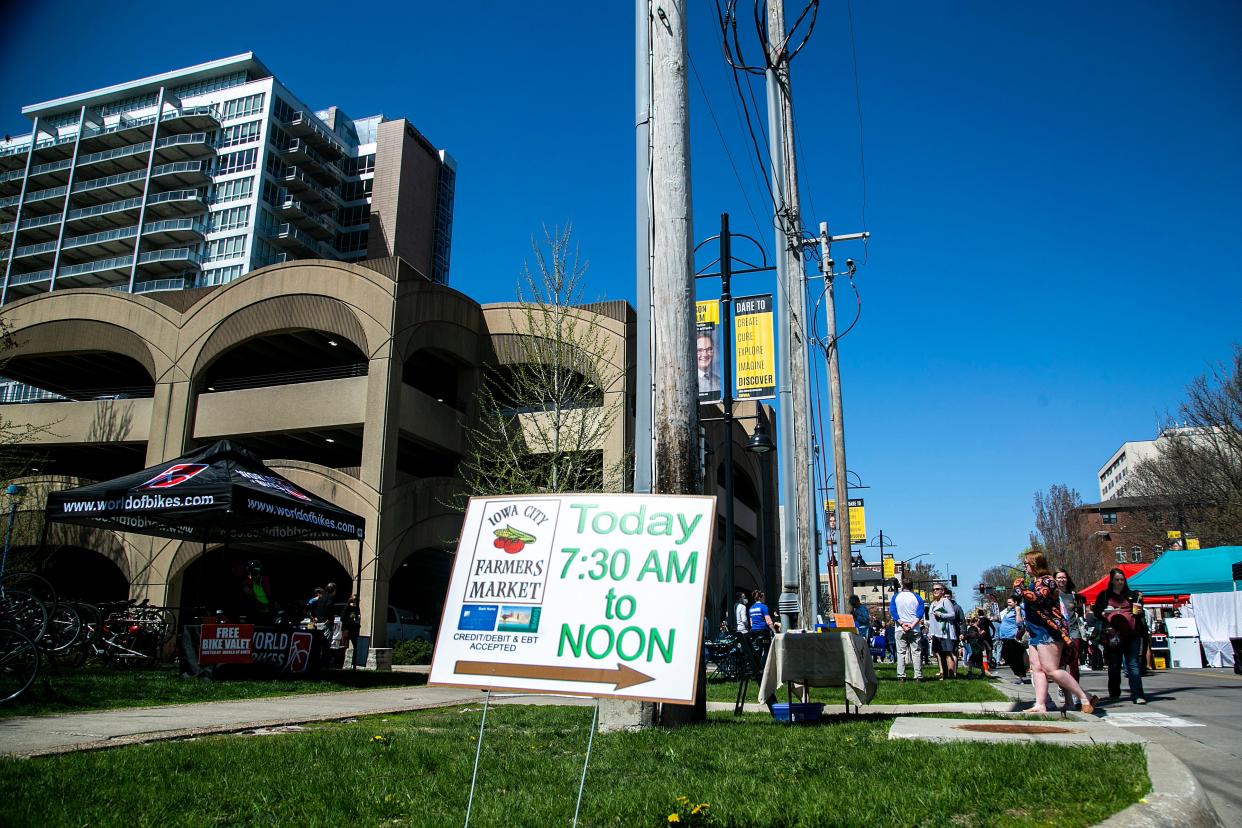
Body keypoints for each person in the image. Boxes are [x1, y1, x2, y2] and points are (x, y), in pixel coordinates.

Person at [1014, 550, 1096, 714]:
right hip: (1035, 631)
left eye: (1026, 563)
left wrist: (1020, 589)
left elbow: (1038, 597)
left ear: (1035, 564)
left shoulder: (1048, 580)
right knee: (1037, 668)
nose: (1025, 566)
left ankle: (1084, 696)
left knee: (1051, 669)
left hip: (1048, 631)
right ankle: (1040, 704)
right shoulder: (1035, 581)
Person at [1092, 568, 1147, 704]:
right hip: (1112, 635)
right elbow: (1097, 612)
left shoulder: (1132, 595)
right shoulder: (1105, 595)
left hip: (1132, 633)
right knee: (1114, 665)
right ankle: (1114, 693)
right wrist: (1103, 613)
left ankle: (1137, 694)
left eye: (1122, 579)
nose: (1120, 582)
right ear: (1111, 581)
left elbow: (1140, 612)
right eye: (1117, 580)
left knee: (1132, 664)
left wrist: (1139, 611)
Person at [1054, 568, 1088, 710]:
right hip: (1059, 632)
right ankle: (1062, 687)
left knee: (1074, 663)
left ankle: (1075, 693)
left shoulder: (1073, 595)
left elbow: (1079, 613)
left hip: (1073, 632)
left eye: (1064, 577)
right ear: (1054, 580)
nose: (1062, 580)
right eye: (1059, 578)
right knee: (1060, 664)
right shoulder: (1053, 595)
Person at [889, 581, 925, 682]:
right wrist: (912, 625)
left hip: (900, 629)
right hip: (914, 629)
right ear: (912, 586)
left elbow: (893, 611)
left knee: (901, 653)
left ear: (902, 585)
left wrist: (902, 624)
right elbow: (920, 613)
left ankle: (901, 675)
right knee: (916, 652)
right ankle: (918, 675)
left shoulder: (896, 597)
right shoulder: (917, 597)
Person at [928, 585, 958, 679]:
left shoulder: (945, 601)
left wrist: (941, 614)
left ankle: (951, 674)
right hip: (936, 633)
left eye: (937, 589)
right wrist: (930, 632)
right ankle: (944, 674)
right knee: (940, 654)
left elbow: (952, 615)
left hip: (945, 632)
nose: (935, 591)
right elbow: (931, 620)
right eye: (933, 589)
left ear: (942, 591)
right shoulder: (933, 603)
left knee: (948, 653)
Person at [996, 596, 1028, 681]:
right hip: (1006, 637)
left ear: (1016, 602)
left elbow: (1019, 623)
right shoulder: (1009, 611)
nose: (1008, 604)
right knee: (1005, 655)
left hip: (1013, 637)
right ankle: (1018, 674)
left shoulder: (1019, 610)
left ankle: (1020, 677)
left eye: (1010, 602)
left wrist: (1017, 611)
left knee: (1015, 658)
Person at [748, 589, 776, 661]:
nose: (763, 598)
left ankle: (757, 666)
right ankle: (762, 667)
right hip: (763, 631)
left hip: (754, 631)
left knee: (758, 650)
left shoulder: (751, 608)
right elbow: (768, 621)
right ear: (760, 598)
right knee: (767, 650)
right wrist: (774, 631)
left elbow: (751, 623)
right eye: (762, 597)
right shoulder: (763, 607)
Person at [695, 331, 720, 399]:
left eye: (709, 349)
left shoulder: (719, 381)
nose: (705, 354)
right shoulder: (689, 382)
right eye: (700, 350)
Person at [340, 594, 362, 665]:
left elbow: (358, 617)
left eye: (357, 600)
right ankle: (341, 662)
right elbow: (342, 618)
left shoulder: (357, 608)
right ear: (351, 601)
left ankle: (354, 663)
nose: (356, 602)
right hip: (346, 629)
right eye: (355, 600)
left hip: (354, 629)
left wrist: (357, 624)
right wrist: (350, 621)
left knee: (356, 645)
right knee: (344, 646)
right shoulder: (347, 607)